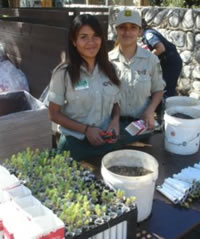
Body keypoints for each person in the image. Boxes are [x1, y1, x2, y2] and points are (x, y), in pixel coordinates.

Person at [48, 14, 121, 161]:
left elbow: (116, 103)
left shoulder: (111, 69)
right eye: (83, 37)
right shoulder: (63, 73)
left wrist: (115, 121)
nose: (91, 42)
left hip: (105, 141)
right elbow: (53, 114)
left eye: (95, 36)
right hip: (74, 145)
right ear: (74, 41)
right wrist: (86, 130)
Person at [109, 8, 166, 131]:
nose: (127, 32)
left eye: (133, 28)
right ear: (116, 30)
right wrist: (114, 119)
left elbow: (158, 89)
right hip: (114, 125)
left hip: (142, 124)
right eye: (123, 27)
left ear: (140, 31)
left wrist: (150, 111)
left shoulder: (151, 59)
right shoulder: (107, 61)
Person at [141, 19, 182, 98]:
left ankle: (166, 107)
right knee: (166, 86)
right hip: (170, 61)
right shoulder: (149, 33)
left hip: (171, 63)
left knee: (166, 87)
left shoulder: (149, 34)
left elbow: (160, 48)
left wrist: (147, 59)